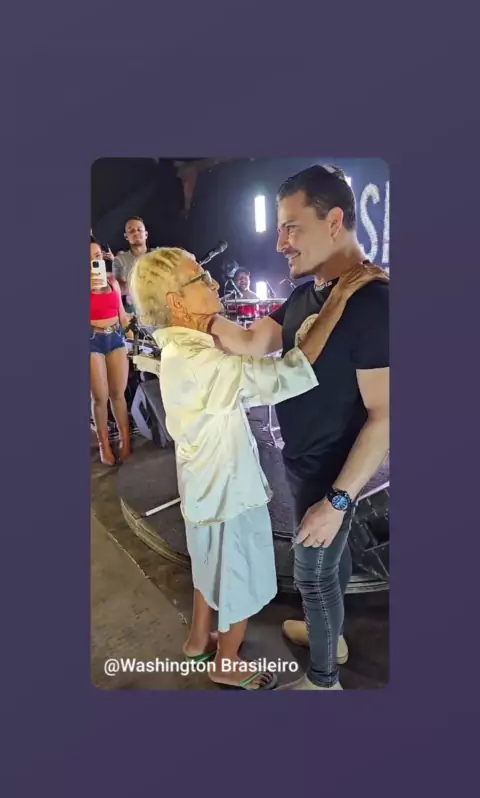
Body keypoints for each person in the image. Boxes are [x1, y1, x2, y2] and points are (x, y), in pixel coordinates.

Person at [129, 246, 377, 691]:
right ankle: (226, 660)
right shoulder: (200, 361)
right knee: (238, 577)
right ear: (176, 303)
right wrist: (338, 299)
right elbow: (286, 373)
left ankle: (198, 640)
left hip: (202, 488)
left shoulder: (184, 348)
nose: (212, 282)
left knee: (208, 564)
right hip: (229, 492)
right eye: (200, 278)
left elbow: (249, 352)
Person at [208, 164, 390, 690]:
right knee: (327, 565)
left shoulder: (374, 303)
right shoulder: (309, 293)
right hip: (301, 459)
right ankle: (328, 636)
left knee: (312, 570)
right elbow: (250, 342)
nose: (280, 243)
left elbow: (385, 417)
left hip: (334, 471)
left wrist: (337, 501)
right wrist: (191, 313)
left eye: (291, 227)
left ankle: (324, 682)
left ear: (333, 221)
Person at [90, 237, 133, 466]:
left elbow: (122, 315)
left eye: (97, 256)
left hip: (115, 337)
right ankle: (104, 445)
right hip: (91, 340)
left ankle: (125, 441)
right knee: (100, 397)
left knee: (118, 394)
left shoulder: (113, 282)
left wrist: (132, 336)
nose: (93, 261)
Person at [112, 217, 150, 311]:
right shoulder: (119, 260)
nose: (136, 233)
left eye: (139, 230)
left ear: (146, 234)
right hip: (134, 309)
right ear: (126, 236)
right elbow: (117, 289)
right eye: (131, 231)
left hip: (159, 306)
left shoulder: (158, 255)